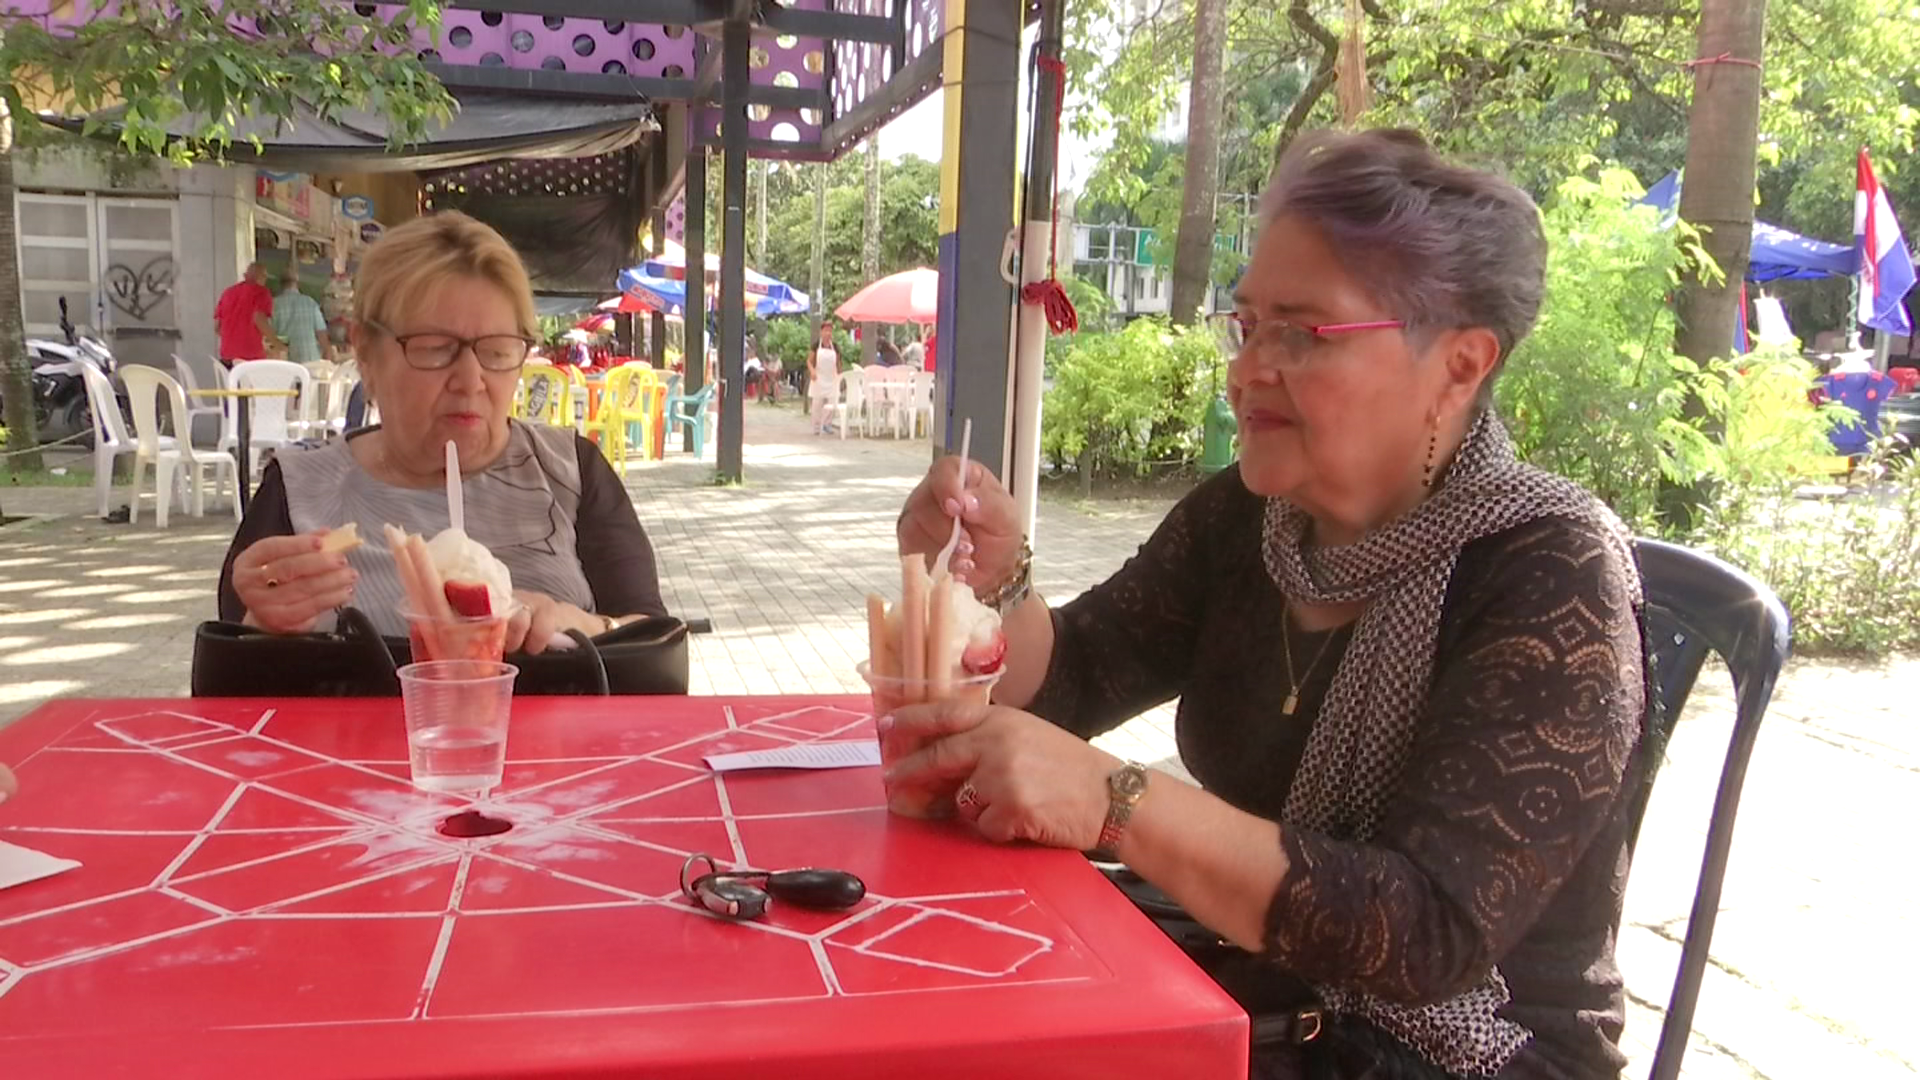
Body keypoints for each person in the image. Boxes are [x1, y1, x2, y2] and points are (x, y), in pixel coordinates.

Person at [883, 130, 1648, 1080]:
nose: (1248, 371)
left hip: (1464, 1051)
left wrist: (1113, 800)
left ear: (1459, 365)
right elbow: (1079, 674)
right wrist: (996, 584)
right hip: (1267, 994)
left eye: (1303, 332)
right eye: (1246, 326)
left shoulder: (1552, 570)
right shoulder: (1255, 519)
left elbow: (1425, 937)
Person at [217, 211, 668, 655]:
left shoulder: (570, 469)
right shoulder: (298, 489)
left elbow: (656, 645)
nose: (471, 379)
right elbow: (227, 693)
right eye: (434, 349)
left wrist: (588, 624)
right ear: (367, 353)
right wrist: (262, 629)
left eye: (497, 351)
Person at [214, 262, 280, 368]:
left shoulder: (228, 293)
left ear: (245, 276)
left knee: (231, 384)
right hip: (250, 362)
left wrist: (235, 339)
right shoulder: (262, 293)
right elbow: (259, 319)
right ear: (262, 278)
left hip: (227, 360)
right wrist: (278, 345)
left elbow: (217, 327)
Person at [272, 271, 330, 366]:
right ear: (297, 284)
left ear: (281, 284)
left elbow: (269, 334)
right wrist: (327, 352)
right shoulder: (310, 302)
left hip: (285, 361)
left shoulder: (273, 304)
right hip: (310, 359)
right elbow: (321, 333)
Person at [809, 323, 840, 434]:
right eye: (826, 330)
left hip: (831, 377)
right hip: (819, 377)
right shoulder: (816, 346)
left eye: (830, 331)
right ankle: (816, 426)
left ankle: (827, 424)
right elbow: (809, 361)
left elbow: (838, 363)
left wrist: (839, 375)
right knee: (817, 403)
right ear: (821, 332)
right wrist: (812, 371)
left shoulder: (835, 347)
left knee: (832, 401)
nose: (828, 333)